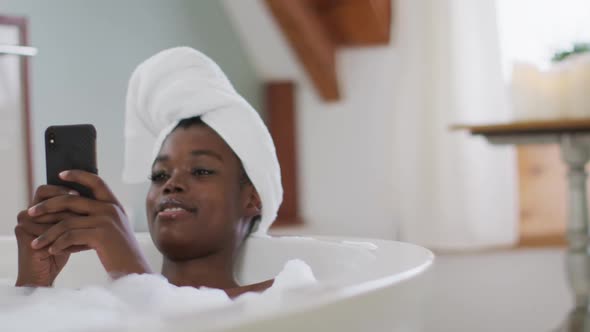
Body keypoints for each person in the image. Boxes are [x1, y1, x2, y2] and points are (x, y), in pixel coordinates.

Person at [14, 47, 283, 298]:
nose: (172, 184)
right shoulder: (95, 304)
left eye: (201, 170)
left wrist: (132, 274)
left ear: (252, 198)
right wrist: (32, 287)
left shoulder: (281, 299)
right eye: (159, 175)